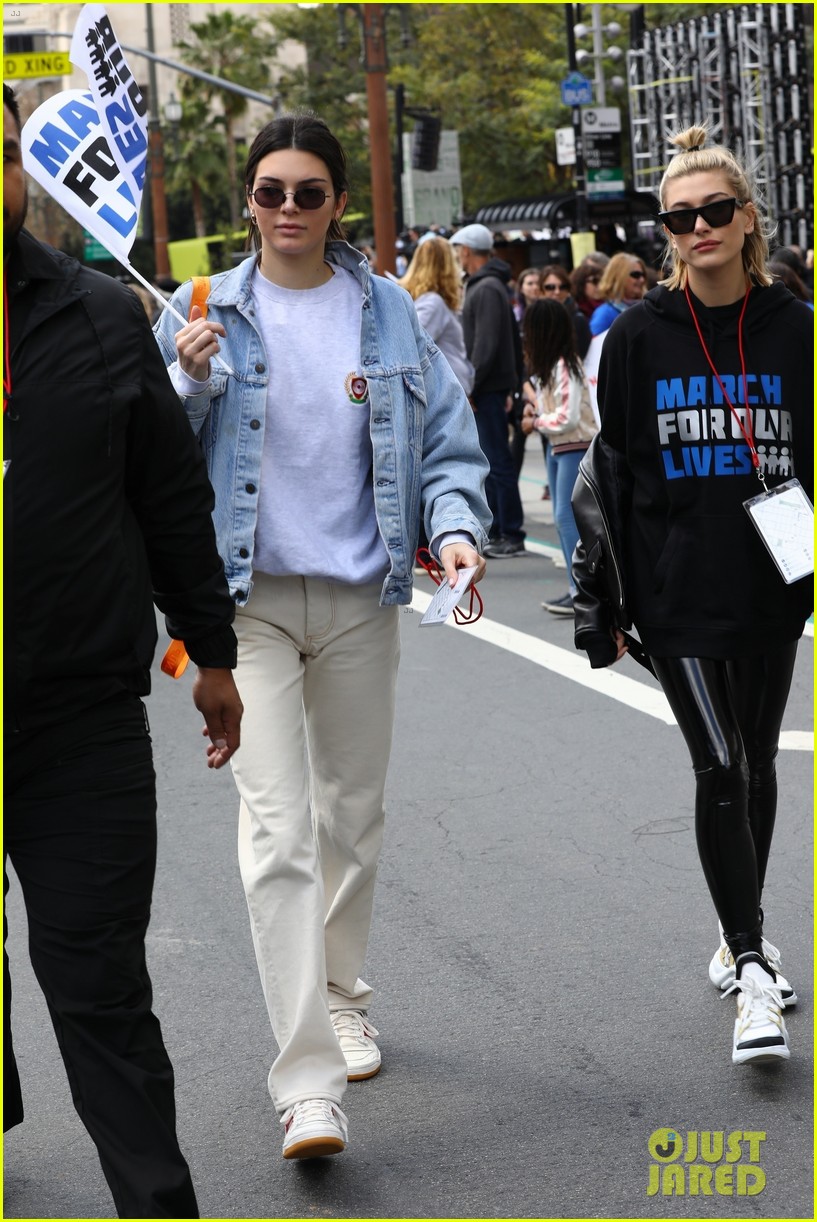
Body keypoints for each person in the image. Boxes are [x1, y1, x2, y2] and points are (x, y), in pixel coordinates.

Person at [153, 112, 491, 1161]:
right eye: (270, 192)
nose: (288, 208)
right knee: (277, 832)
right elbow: (152, 460)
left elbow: (446, 444)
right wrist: (187, 383)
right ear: (248, 203)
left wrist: (455, 528)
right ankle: (305, 1082)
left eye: (308, 191)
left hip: (359, 600)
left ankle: (342, 995)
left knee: (351, 818)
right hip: (243, 607)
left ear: (339, 201)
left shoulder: (389, 311)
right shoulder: (201, 312)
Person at [3, 83, 243, 1218]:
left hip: (77, 720)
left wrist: (210, 649)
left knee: (99, 984)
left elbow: (168, 495)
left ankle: (157, 1205)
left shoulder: (98, 315)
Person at [571, 123, 813, 1066]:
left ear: (747, 217)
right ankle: (751, 969)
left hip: (771, 582)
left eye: (714, 210)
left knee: (755, 763)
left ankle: (733, 930)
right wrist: (603, 601)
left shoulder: (797, 329)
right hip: (673, 592)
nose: (698, 227)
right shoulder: (637, 336)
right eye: (679, 217)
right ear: (666, 232)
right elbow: (612, 474)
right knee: (717, 766)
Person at [449, 223, 526, 558]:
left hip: (487, 388)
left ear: (466, 250)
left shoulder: (486, 287)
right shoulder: (489, 285)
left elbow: (487, 344)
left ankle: (511, 531)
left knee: (496, 461)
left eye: (459, 250)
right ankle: (499, 529)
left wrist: (472, 384)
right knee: (491, 461)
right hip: (490, 386)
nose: (457, 256)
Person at [520, 299, 598, 616]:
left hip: (575, 446)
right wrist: (537, 412)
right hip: (561, 446)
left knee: (567, 519)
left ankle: (582, 591)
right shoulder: (554, 366)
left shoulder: (564, 365)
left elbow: (567, 417)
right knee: (562, 518)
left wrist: (536, 421)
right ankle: (575, 588)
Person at [398, 234, 474, 394]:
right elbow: (411, 347)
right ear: (447, 267)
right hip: (445, 395)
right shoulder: (433, 303)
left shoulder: (432, 301)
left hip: (447, 391)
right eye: (455, 261)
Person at [588, 252, 648, 336]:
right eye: (636, 275)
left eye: (643, 275)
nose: (642, 280)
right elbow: (596, 343)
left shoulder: (648, 308)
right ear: (618, 277)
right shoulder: (604, 314)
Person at [540, 263, 592, 358]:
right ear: (541, 290)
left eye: (563, 287)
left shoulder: (578, 319)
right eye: (550, 287)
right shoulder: (535, 317)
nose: (557, 292)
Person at [570, 261, 605, 326]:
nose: (600, 286)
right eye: (595, 281)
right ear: (581, 283)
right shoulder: (574, 311)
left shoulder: (609, 307)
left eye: (602, 281)